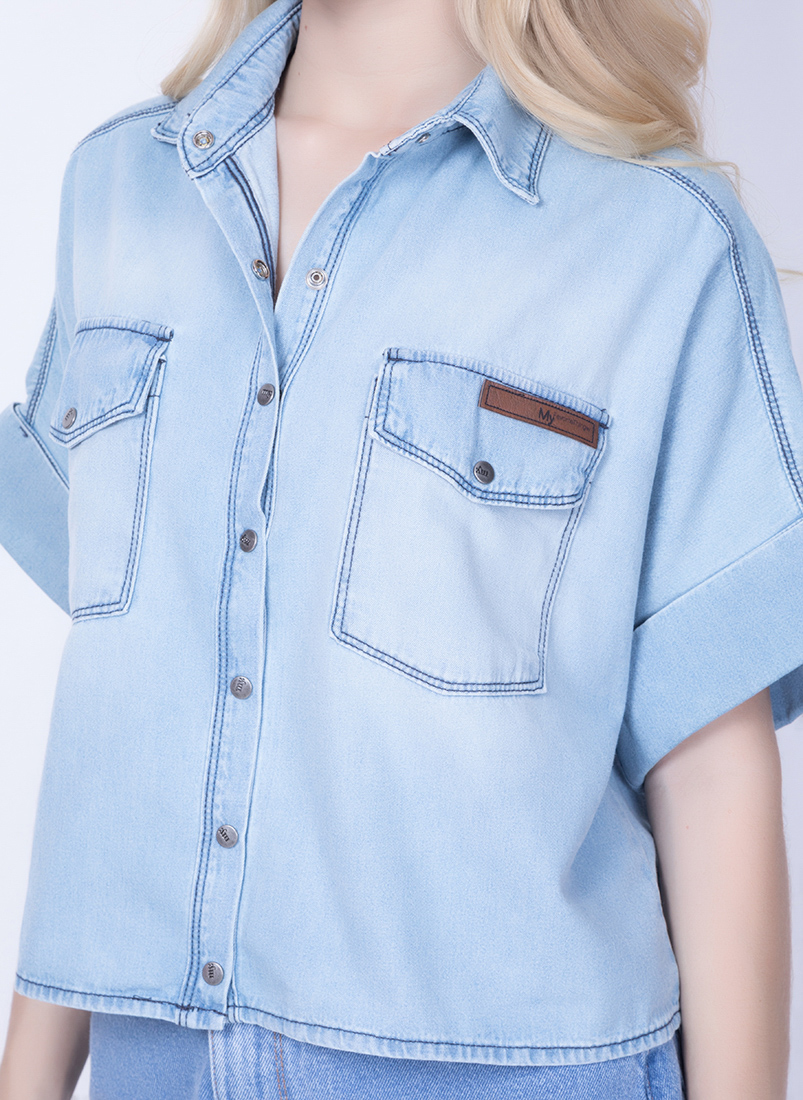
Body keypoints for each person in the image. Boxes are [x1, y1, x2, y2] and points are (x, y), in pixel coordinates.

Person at [0, 0, 798, 1096]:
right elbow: (124, 700)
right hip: (160, 1057)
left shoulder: (661, 237)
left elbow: (707, 771)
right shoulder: (120, 189)